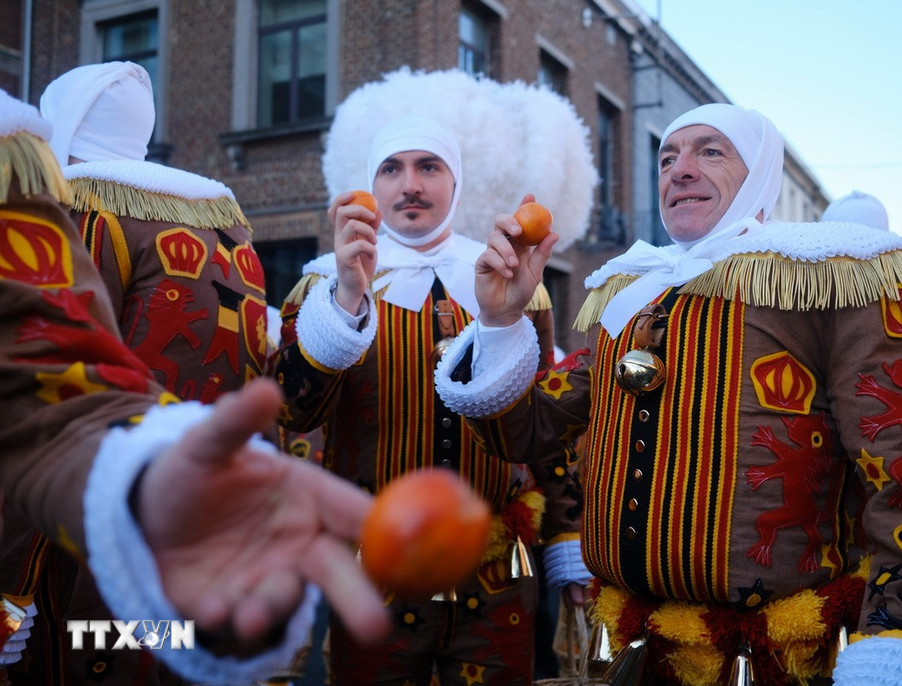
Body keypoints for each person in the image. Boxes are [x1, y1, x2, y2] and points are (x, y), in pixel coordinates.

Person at [434, 103, 902, 685]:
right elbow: (526, 431)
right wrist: (500, 321)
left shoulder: (832, 277)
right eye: (667, 156)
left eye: (710, 151)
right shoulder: (631, 293)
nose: (679, 170)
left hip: (776, 660)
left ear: (759, 172)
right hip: (634, 649)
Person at [0, 89, 391, 683]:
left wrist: (12, 591)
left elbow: (49, 396)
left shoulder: (78, 214)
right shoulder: (230, 235)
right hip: (170, 538)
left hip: (97, 564)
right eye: (394, 165)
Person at [268, 114, 589, 684]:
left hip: (496, 566)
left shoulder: (511, 280)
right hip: (374, 561)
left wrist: (568, 540)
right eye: (391, 168)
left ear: (454, 183)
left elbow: (546, 425)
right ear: (372, 185)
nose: (410, 184)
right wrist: (345, 297)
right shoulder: (322, 283)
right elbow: (293, 411)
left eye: (428, 167)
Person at [39, 61, 269, 403]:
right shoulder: (227, 219)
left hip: (129, 444)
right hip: (227, 441)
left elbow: (63, 351)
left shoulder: (85, 207)